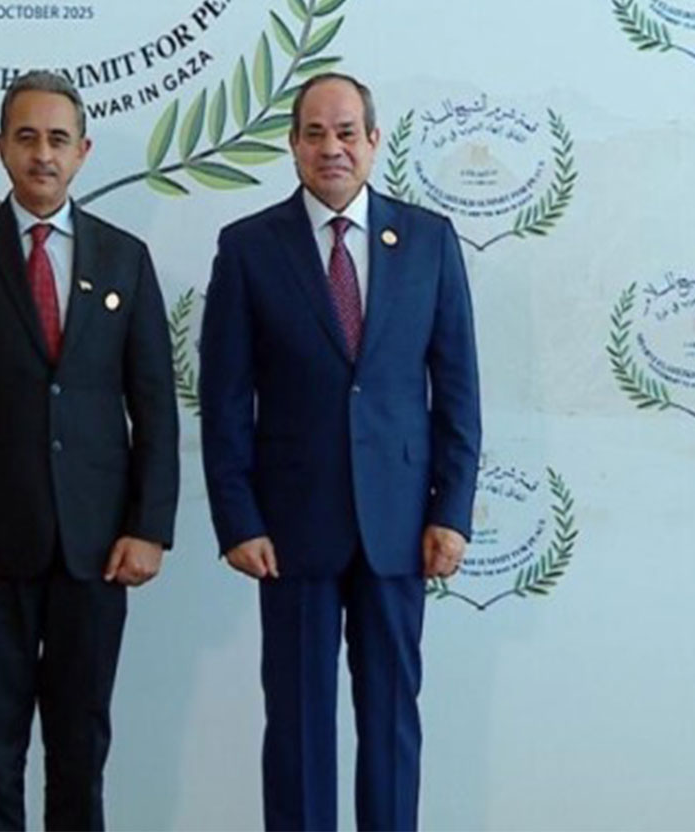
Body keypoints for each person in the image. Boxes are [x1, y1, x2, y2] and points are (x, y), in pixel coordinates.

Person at [199, 72, 482, 832]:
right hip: (289, 533)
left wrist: (451, 513)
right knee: (296, 729)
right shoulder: (249, 249)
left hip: (400, 531)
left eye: (347, 132)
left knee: (391, 728)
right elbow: (224, 401)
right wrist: (239, 519)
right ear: (292, 145)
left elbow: (457, 393)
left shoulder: (428, 242)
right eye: (316, 133)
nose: (332, 148)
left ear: (374, 141)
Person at [0, 70, 180, 831]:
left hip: (99, 551)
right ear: (0, 148)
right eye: (26, 137)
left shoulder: (126, 260)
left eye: (58, 139)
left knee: (80, 749)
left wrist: (149, 525)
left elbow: (155, 404)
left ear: (83, 152)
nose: (42, 155)